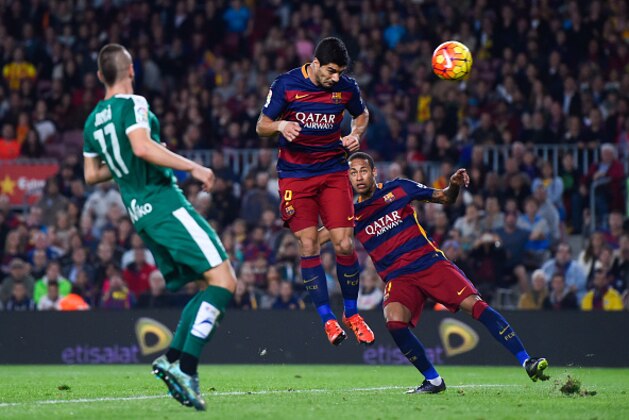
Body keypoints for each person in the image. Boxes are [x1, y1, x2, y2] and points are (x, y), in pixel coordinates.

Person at [82, 44, 237, 411]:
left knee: (205, 285)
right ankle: (187, 367)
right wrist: (193, 167)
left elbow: (92, 174)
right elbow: (140, 148)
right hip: (165, 203)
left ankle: (172, 359)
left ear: (101, 76)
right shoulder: (133, 103)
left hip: (140, 213)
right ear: (131, 70)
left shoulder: (92, 121)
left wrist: (140, 152)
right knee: (225, 280)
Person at [320, 153, 549, 394]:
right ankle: (434, 381)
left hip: (429, 262)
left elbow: (444, 198)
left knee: (475, 305)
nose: (359, 177)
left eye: (363, 171)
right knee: (394, 321)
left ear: (374, 172)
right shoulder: (350, 214)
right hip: (398, 277)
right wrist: (300, 224)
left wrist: (453, 185)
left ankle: (527, 360)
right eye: (353, 173)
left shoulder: (399, 188)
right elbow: (318, 238)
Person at [256, 37, 374, 346]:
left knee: (345, 243)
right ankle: (327, 319)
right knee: (308, 245)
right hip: (295, 176)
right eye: (332, 71)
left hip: (333, 171)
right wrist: (281, 127)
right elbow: (262, 125)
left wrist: (356, 133)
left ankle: (352, 313)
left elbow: (362, 115)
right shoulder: (286, 85)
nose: (336, 78)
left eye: (340, 72)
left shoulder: (346, 88)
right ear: (316, 64)